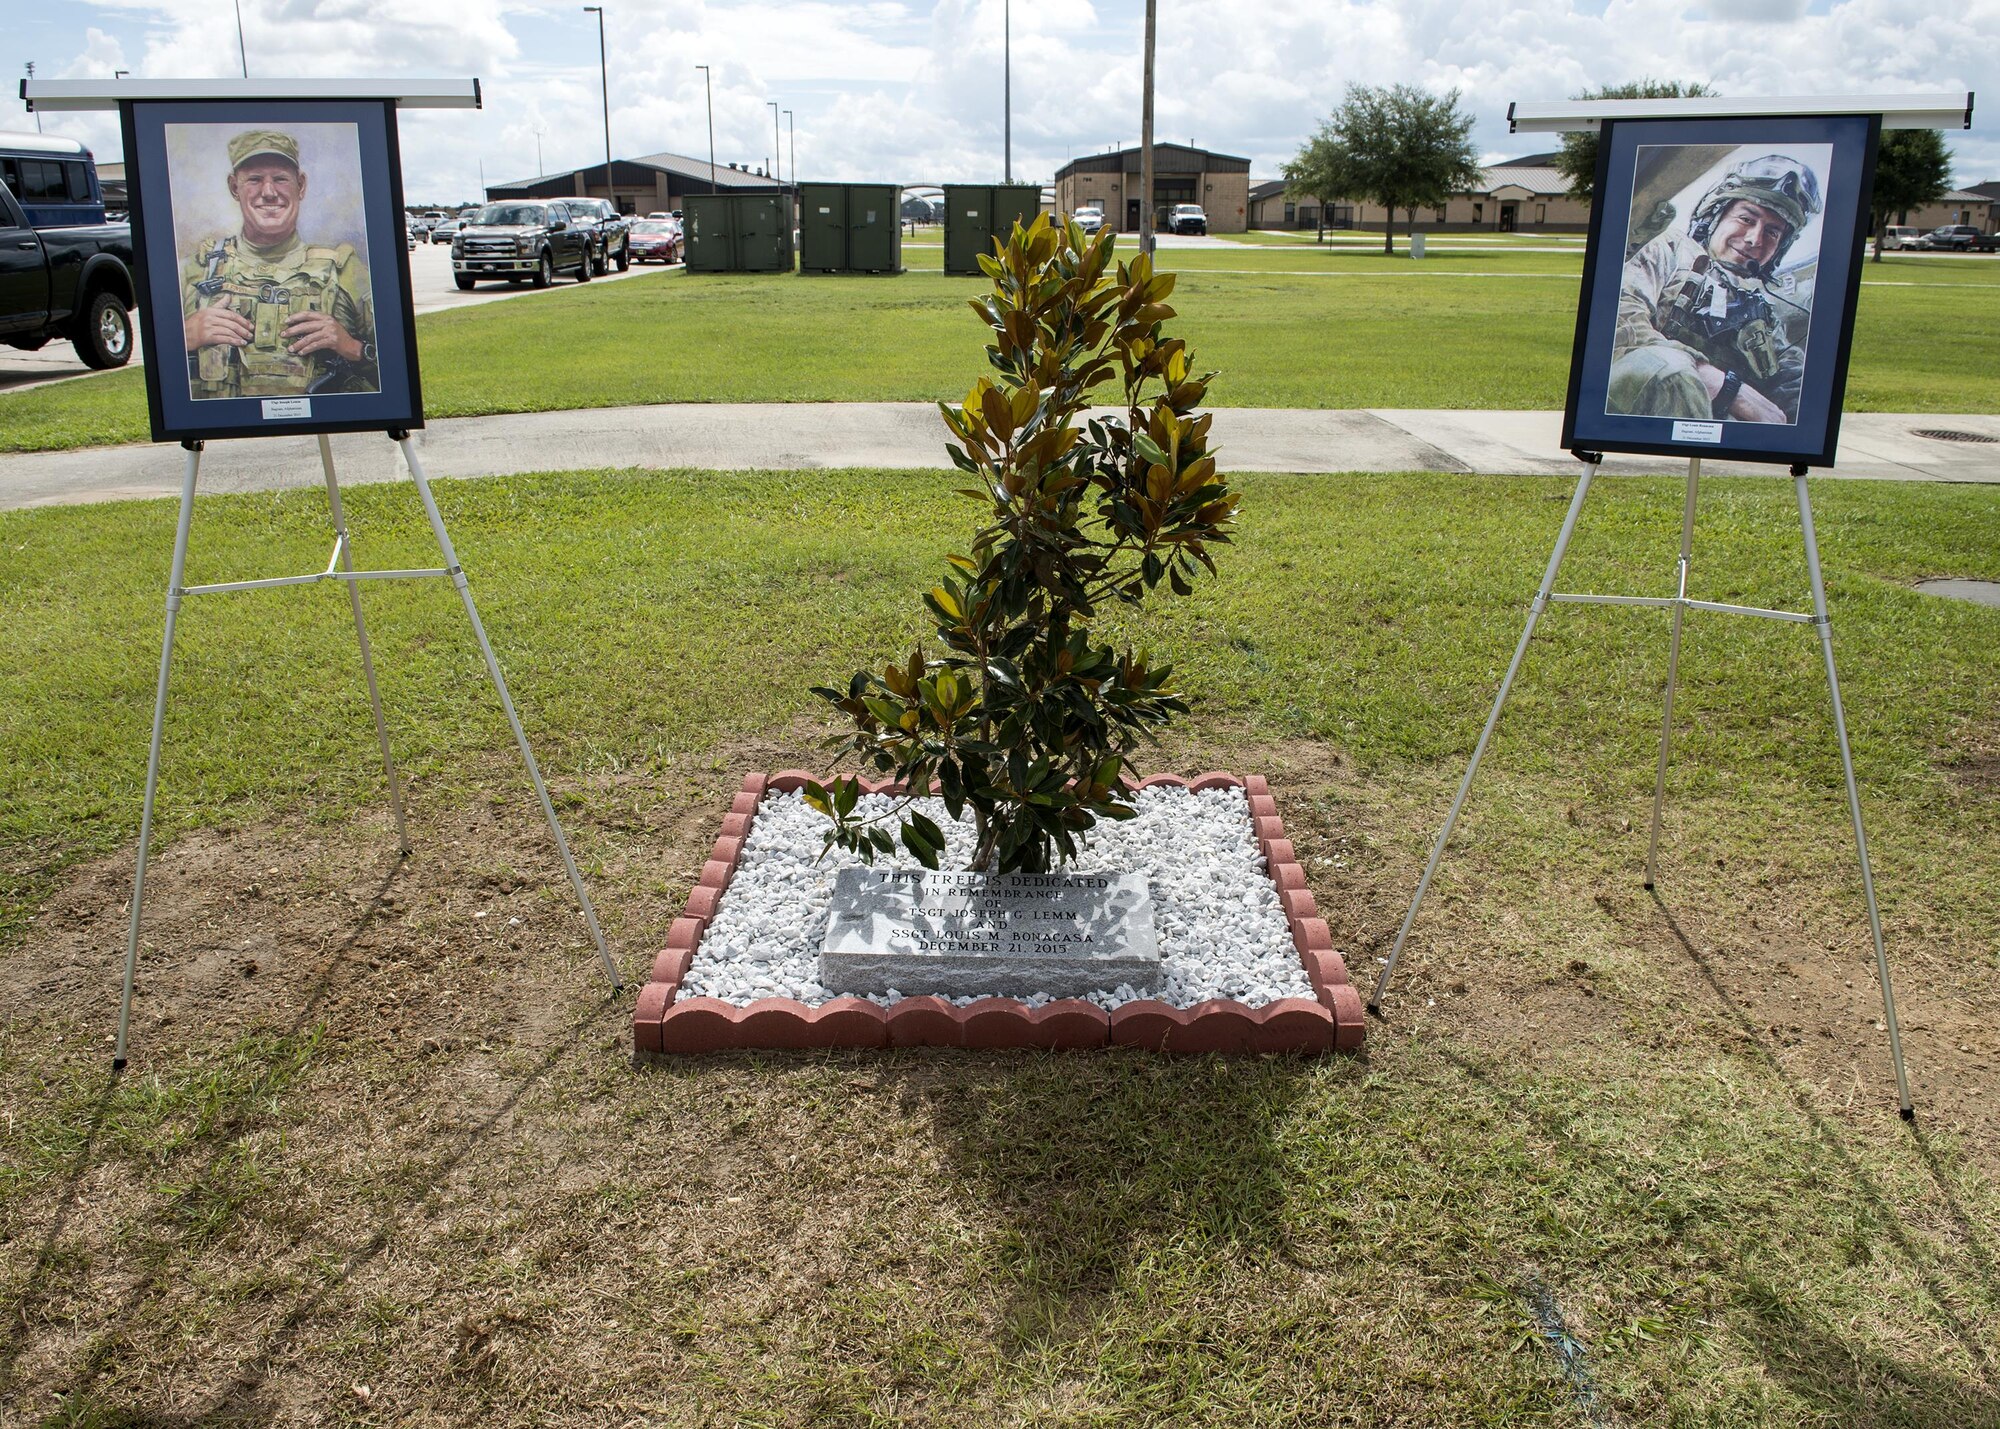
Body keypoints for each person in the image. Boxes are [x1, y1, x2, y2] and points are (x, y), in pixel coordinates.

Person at [1608, 155, 1821, 425]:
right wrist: (1721, 384)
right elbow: (1619, 316)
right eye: (1746, 218)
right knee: (1672, 374)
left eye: (1772, 232)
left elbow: (1788, 374)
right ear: (1717, 214)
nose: (1754, 238)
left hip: (1711, 416)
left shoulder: (1761, 308)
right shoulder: (1672, 248)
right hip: (1640, 391)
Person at [180, 130, 379, 400]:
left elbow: (395, 367)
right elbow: (157, 373)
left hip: (320, 423)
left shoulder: (344, 270)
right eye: (254, 179)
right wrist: (184, 338)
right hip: (228, 435)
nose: (269, 192)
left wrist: (352, 347)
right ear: (234, 187)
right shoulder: (195, 271)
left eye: (280, 179)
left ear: (301, 185)